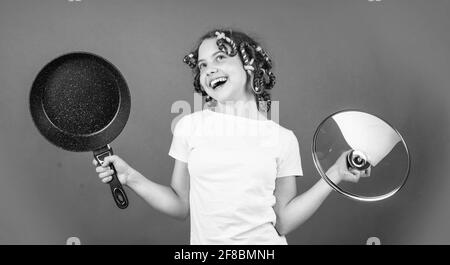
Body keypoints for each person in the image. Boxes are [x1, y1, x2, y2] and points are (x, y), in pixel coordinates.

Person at [92, 28, 368, 245]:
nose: (209, 69)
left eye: (220, 58)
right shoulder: (189, 127)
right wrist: (130, 178)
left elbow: (282, 221)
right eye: (202, 65)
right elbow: (179, 204)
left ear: (250, 66)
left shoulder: (282, 139)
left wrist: (333, 176)